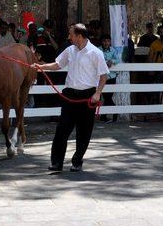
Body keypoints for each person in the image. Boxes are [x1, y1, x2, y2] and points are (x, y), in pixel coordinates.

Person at [32, 23, 109, 173]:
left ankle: (77, 161)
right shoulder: (70, 50)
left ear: (79, 36)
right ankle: (56, 163)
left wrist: (97, 93)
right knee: (62, 129)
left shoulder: (95, 53)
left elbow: (104, 75)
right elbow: (58, 65)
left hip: (87, 96)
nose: (69, 37)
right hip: (70, 95)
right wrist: (42, 67)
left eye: (71, 34)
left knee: (84, 131)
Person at [99, 34, 120, 123]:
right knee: (105, 96)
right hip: (101, 77)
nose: (106, 43)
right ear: (102, 42)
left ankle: (103, 116)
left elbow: (118, 60)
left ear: (110, 42)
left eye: (108, 41)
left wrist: (112, 61)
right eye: (104, 41)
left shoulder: (113, 50)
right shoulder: (98, 50)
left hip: (112, 76)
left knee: (108, 96)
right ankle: (115, 112)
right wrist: (104, 62)